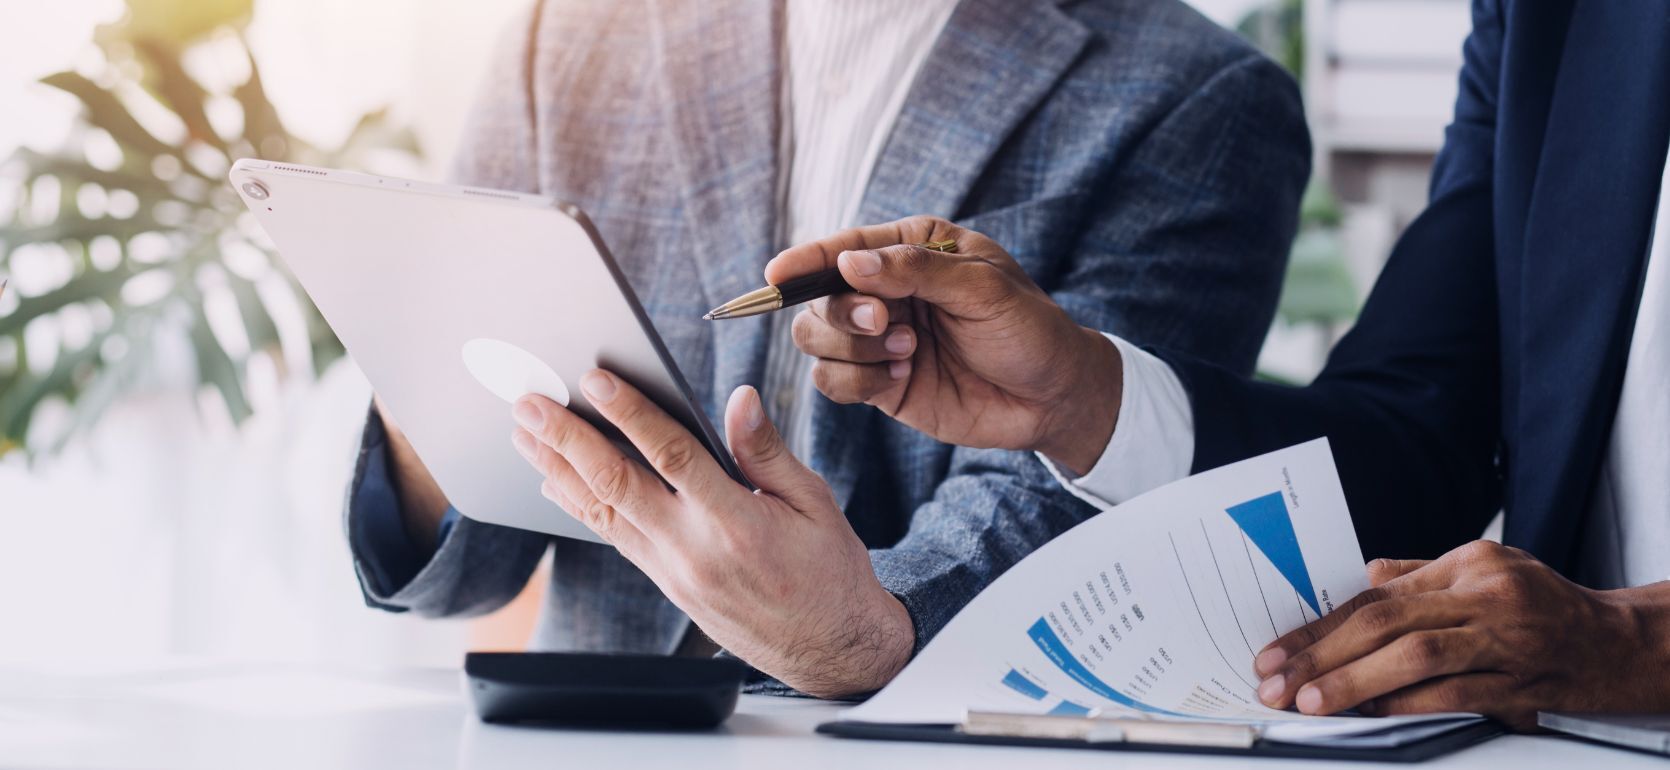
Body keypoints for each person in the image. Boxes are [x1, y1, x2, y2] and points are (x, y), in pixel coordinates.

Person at [347, 0, 1311, 697]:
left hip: (907, 737)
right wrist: (424, 375)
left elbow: (1078, 492)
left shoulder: (1197, 91)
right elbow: (466, 569)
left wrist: (862, 628)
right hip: (582, 728)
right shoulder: (570, 29)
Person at [765, 0, 1670, 729]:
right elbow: (1424, 438)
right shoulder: (1561, 17)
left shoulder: (1198, 92)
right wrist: (1086, 397)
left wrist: (1636, 645)